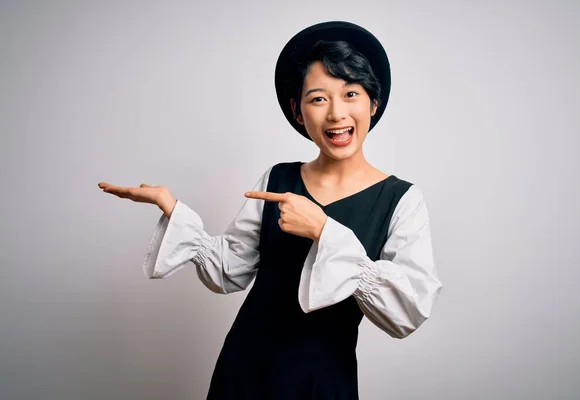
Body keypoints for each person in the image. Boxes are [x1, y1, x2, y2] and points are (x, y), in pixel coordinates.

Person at [98, 21, 442, 400]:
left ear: (372, 103)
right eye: (318, 99)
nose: (335, 114)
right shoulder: (277, 178)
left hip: (323, 381)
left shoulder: (400, 200)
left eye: (350, 94)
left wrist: (323, 231)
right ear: (298, 112)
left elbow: (406, 312)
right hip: (244, 370)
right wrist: (172, 208)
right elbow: (230, 271)